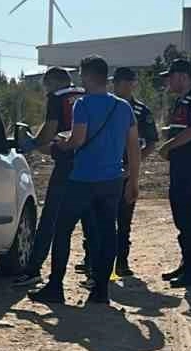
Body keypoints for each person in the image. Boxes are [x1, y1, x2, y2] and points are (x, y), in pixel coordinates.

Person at [29, 55, 141, 307]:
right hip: (112, 180)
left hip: (82, 179)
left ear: (88, 76)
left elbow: (78, 139)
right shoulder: (123, 107)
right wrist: (133, 181)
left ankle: (55, 286)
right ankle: (101, 290)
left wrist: (60, 145)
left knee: (63, 231)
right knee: (107, 233)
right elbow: (133, 146)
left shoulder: (83, 104)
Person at [12, 67, 86, 287]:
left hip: (66, 162)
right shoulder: (84, 94)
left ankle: (34, 269)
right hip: (90, 164)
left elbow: (50, 128)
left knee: (50, 219)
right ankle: (94, 272)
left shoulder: (57, 98)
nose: (46, 91)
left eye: (47, 85)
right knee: (90, 219)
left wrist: (33, 143)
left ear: (54, 82)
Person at [157, 58, 191, 288]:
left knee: (188, 219)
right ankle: (186, 264)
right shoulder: (180, 101)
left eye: (171, 77)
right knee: (180, 217)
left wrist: (167, 146)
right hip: (179, 166)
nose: (168, 82)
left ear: (183, 77)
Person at [110, 66, 158, 277]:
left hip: (126, 171)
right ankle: (93, 261)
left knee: (124, 220)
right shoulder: (106, 106)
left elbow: (151, 142)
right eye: (117, 82)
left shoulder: (140, 111)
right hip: (103, 171)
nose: (117, 86)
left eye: (125, 82)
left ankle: (121, 262)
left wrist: (133, 167)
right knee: (97, 219)